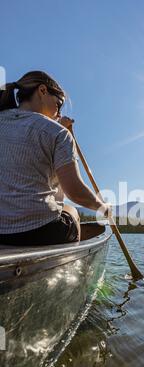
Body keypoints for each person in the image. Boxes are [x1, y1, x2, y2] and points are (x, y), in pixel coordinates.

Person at [0, 70, 111, 246]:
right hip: (39, 231)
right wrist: (103, 208)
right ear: (42, 91)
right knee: (72, 211)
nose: (59, 113)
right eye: (59, 105)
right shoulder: (58, 133)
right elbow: (75, 192)